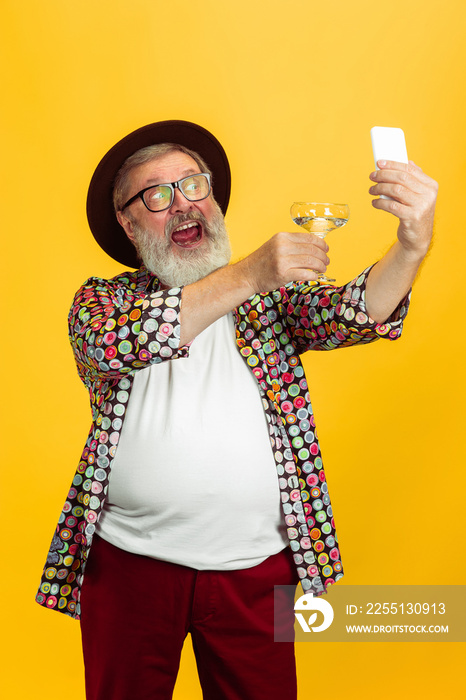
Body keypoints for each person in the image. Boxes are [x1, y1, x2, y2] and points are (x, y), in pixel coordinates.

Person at [36, 120, 437, 700]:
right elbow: (122, 341)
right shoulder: (104, 301)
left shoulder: (269, 301)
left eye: (193, 185)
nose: (181, 205)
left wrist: (411, 245)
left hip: (256, 570)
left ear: (214, 199)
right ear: (126, 222)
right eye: (156, 194)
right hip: (128, 567)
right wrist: (251, 271)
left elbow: (361, 310)